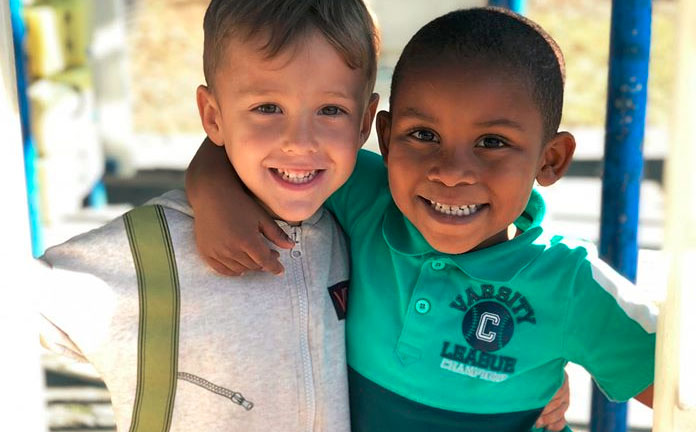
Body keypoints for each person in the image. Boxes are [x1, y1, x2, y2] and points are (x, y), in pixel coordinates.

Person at [184, 7, 656, 432]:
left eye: (492, 142)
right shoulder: (368, 198)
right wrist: (213, 194)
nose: (451, 172)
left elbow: (675, 385)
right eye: (423, 134)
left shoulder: (571, 286)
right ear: (386, 138)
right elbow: (239, 139)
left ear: (550, 160)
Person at [38, 0, 380, 430]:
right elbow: (9, 305)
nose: (300, 141)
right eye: (267, 108)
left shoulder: (366, 230)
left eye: (331, 110)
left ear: (365, 121)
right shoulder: (150, 250)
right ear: (212, 117)